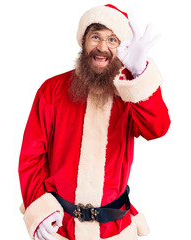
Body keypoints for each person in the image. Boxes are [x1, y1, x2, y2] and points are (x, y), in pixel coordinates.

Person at [18, 4, 170, 240]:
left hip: (114, 229)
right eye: (96, 37)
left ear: (122, 48)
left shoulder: (129, 94)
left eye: (112, 40)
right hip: (61, 226)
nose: (102, 48)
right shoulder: (51, 90)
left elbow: (157, 128)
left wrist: (139, 75)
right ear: (83, 40)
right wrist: (40, 209)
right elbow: (32, 156)